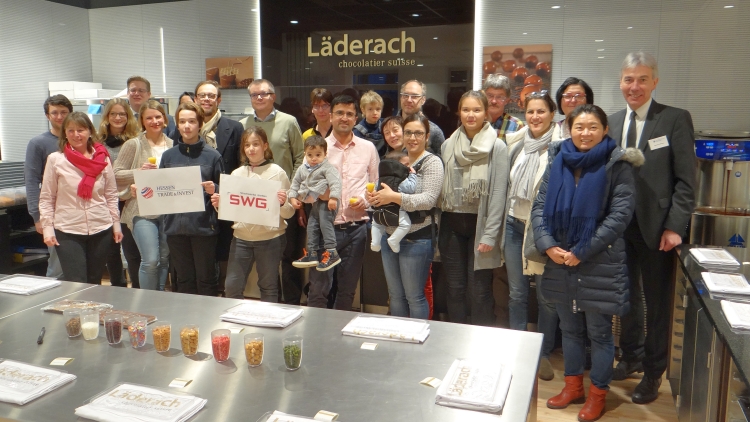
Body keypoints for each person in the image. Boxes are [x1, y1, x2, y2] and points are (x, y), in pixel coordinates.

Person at [531, 104, 642, 422]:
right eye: (579, 126)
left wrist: (583, 250)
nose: (585, 132)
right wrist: (547, 245)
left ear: (605, 130)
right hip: (560, 259)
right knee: (570, 329)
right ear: (569, 128)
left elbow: (620, 215)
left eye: (593, 127)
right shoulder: (558, 159)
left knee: (599, 332)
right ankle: (573, 386)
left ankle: (597, 395)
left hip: (599, 262)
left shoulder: (617, 163)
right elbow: (540, 206)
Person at [608, 52, 696, 404]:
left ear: (655, 82)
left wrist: (675, 226)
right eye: (629, 79)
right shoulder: (612, 122)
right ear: (621, 82)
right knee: (625, 298)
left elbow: (687, 181)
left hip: (658, 230)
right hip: (618, 228)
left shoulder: (674, 119)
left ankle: (654, 372)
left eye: (642, 79)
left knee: (658, 304)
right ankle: (630, 356)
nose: (635, 86)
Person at [439, 90, 508, 326]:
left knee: (479, 290)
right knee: (455, 287)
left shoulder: (497, 147)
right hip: (451, 223)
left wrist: (490, 234)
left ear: (486, 113)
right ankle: (455, 336)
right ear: (459, 112)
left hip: (480, 225)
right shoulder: (448, 145)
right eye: (466, 109)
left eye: (476, 110)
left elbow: (500, 193)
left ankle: (480, 340)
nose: (471, 115)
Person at [503, 91, 559, 380]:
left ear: (552, 114)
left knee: (547, 296)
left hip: (541, 231)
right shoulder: (517, 145)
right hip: (514, 225)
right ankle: (517, 347)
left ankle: (543, 353)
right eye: (530, 111)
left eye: (541, 111)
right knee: (516, 293)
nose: (535, 117)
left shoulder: (560, 148)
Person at [306, 95, 379, 310]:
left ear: (356, 118)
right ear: (330, 116)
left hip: (357, 230)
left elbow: (374, 186)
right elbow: (306, 190)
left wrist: (365, 201)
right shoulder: (318, 148)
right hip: (324, 229)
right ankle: (317, 340)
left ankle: (338, 342)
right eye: (339, 113)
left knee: (347, 292)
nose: (344, 118)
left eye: (349, 114)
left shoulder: (368, 149)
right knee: (319, 290)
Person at [367, 115, 443, 319]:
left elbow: (428, 200)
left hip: (417, 237)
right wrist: (375, 197)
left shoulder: (432, 162)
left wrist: (394, 197)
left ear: (427, 136)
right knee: (395, 295)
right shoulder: (394, 160)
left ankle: (417, 345)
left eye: (418, 133)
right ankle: (398, 341)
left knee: (415, 296)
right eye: (408, 132)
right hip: (388, 235)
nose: (412, 137)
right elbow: (383, 189)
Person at [240, 79, 306, 305]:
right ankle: (271, 303)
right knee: (266, 262)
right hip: (254, 203)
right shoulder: (243, 123)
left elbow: (300, 158)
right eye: (254, 95)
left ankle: (292, 303)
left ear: (273, 96)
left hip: (282, 199)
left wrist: (292, 192)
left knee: (288, 256)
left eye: (264, 94)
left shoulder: (288, 122)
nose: (259, 98)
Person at [39, 112, 123, 284]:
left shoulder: (102, 158)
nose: (76, 135)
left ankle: (94, 312)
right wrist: (47, 227)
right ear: (65, 134)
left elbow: (111, 194)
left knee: (94, 280)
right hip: (68, 229)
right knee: (76, 282)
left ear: (90, 132)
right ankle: (77, 312)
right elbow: (47, 197)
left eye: (81, 130)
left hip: (101, 226)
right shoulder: (56, 160)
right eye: (71, 131)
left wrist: (116, 225)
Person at [212, 126, 294, 302]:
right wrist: (220, 205)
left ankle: (269, 325)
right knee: (232, 287)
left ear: (265, 146)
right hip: (241, 239)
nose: (251, 149)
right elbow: (231, 211)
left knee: (269, 287)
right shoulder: (236, 174)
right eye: (247, 145)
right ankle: (236, 324)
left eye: (256, 144)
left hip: (271, 239)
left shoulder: (277, 173)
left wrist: (282, 203)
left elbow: (288, 213)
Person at [180, 80, 244, 295]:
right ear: (196, 99)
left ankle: (220, 296)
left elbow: (240, 166)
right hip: (192, 208)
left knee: (223, 254)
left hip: (223, 201)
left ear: (219, 99)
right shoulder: (180, 133)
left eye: (211, 95)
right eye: (202, 95)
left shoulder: (235, 128)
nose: (206, 99)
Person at [160, 102, 225, 296]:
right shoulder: (168, 156)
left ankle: (207, 320)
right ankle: (187, 321)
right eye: (182, 122)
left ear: (200, 124)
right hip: (175, 229)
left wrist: (215, 189)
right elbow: (160, 190)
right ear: (177, 125)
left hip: (203, 228)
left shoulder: (213, 156)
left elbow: (225, 192)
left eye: (191, 121)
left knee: (206, 278)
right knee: (183, 279)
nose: (187, 126)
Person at [114, 100, 173, 291]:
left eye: (158, 116)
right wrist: (139, 172)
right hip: (141, 210)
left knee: (164, 258)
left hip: (167, 210)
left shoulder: (173, 145)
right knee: (151, 260)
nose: (154, 121)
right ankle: (148, 301)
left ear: (164, 119)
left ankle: (160, 295)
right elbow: (114, 174)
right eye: (149, 117)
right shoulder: (134, 144)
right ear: (142, 120)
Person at [24, 95, 72, 280]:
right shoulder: (38, 143)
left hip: (78, 212)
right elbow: (32, 181)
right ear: (47, 116)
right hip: (53, 212)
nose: (59, 116)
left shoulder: (79, 139)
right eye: (55, 113)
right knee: (57, 265)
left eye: (63, 112)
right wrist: (37, 216)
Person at [99, 98, 140, 288]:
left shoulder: (137, 141)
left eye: (122, 114)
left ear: (128, 116)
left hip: (131, 199)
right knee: (111, 251)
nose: (117, 117)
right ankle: (118, 287)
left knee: (133, 251)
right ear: (107, 117)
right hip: (106, 202)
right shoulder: (97, 143)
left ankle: (137, 289)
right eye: (113, 114)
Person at [290, 136, 342, 271]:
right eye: (310, 155)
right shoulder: (303, 168)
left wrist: (333, 198)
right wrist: (292, 197)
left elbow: (336, 183)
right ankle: (312, 253)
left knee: (325, 225)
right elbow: (295, 183)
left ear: (325, 154)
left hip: (327, 203)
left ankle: (332, 252)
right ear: (305, 154)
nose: (314, 158)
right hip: (315, 203)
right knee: (312, 226)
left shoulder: (327, 168)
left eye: (318, 155)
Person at [370, 150, 417, 253]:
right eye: (406, 165)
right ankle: (394, 240)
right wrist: (413, 175)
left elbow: (374, 189)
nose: (408, 167)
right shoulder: (400, 180)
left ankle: (375, 242)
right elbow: (411, 188)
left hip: (379, 212)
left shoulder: (380, 179)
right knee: (405, 225)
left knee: (376, 224)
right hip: (395, 212)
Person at [399, 79, 445, 157]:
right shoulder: (390, 127)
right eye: (405, 95)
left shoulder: (433, 130)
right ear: (401, 97)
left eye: (414, 96)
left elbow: (442, 161)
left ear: (423, 100)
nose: (409, 100)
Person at [483, 74, 525, 140]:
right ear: (483, 96)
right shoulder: (475, 122)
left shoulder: (517, 126)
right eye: (490, 96)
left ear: (507, 100)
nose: (494, 101)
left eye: (499, 97)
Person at [353, 90, 385, 156]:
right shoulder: (357, 131)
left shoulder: (385, 126)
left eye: (378, 109)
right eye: (370, 109)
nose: (375, 113)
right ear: (363, 110)